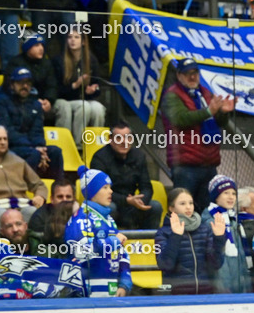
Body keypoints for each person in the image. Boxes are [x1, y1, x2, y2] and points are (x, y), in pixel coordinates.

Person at [158, 58, 235, 213]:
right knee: (183, 211)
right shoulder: (171, 96)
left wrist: (224, 113)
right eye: (188, 74)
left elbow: (217, 121)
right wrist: (209, 111)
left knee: (209, 211)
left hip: (209, 163)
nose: (192, 77)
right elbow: (181, 119)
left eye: (195, 73)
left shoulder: (205, 92)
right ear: (179, 75)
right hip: (185, 165)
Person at [65, 165, 132, 296]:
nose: (111, 191)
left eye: (110, 187)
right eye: (105, 187)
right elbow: (81, 251)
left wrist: (124, 282)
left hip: (111, 290)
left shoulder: (109, 219)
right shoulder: (81, 218)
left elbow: (121, 253)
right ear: (92, 192)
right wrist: (113, 241)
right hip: (87, 291)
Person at [0, 67, 65, 179]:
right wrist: (33, 148)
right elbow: (7, 131)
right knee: (33, 154)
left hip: (31, 148)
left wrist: (41, 148)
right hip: (10, 147)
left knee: (55, 151)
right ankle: (23, 187)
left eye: (28, 83)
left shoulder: (35, 104)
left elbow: (37, 131)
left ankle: (58, 188)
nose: (25, 86)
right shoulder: (0, 102)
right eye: (20, 82)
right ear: (12, 84)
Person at [90, 122, 162, 230]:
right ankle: (108, 242)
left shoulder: (139, 156)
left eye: (128, 138)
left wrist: (141, 201)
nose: (125, 142)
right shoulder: (99, 158)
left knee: (155, 206)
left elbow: (146, 186)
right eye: (119, 138)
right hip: (111, 202)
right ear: (110, 139)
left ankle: (150, 243)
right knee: (109, 207)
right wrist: (126, 200)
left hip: (132, 204)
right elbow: (99, 191)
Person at [155, 187, 226, 295]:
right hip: (177, 294)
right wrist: (176, 236)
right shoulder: (163, 232)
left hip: (205, 293)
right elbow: (165, 265)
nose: (188, 207)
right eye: (182, 203)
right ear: (171, 208)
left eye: (191, 203)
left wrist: (219, 239)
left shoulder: (205, 229)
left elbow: (216, 264)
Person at [53, 26, 107, 145]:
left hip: (85, 98)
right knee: (84, 107)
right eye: (70, 37)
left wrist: (93, 90)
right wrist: (74, 86)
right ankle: (78, 145)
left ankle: (95, 144)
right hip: (64, 100)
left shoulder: (91, 60)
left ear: (83, 41)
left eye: (76, 37)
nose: (72, 40)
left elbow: (97, 86)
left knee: (98, 108)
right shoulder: (58, 60)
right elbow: (55, 90)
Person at [200, 174, 251, 294]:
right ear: (216, 196)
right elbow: (215, 261)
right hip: (223, 288)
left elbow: (241, 256)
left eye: (233, 193)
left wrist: (245, 285)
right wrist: (222, 288)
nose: (231, 197)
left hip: (237, 282)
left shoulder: (233, 220)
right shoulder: (210, 222)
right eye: (226, 193)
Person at [28, 177, 77, 255]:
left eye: (68, 197)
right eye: (60, 197)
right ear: (52, 199)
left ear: (74, 199)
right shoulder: (39, 217)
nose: (64, 200)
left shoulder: (81, 215)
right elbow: (38, 251)